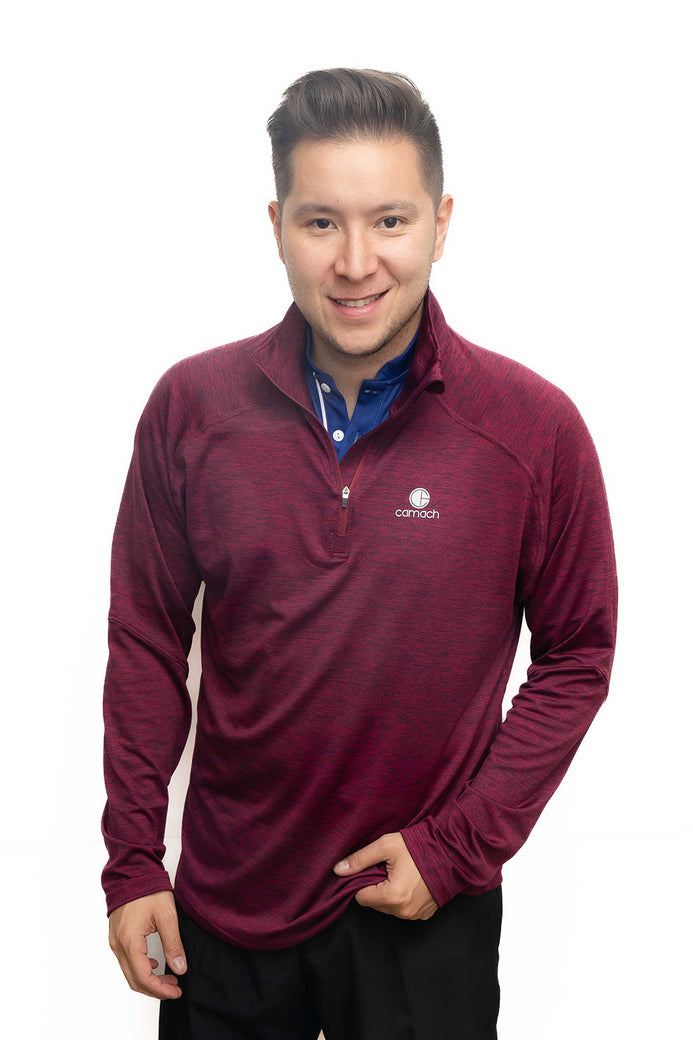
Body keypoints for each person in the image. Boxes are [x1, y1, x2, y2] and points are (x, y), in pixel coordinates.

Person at [103, 68, 617, 1039]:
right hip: (225, 913)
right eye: (320, 222)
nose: (354, 262)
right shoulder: (190, 409)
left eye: (389, 220)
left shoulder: (532, 429)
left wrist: (458, 846)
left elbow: (578, 653)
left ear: (440, 222)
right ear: (276, 225)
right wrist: (133, 863)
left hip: (424, 913)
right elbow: (146, 640)